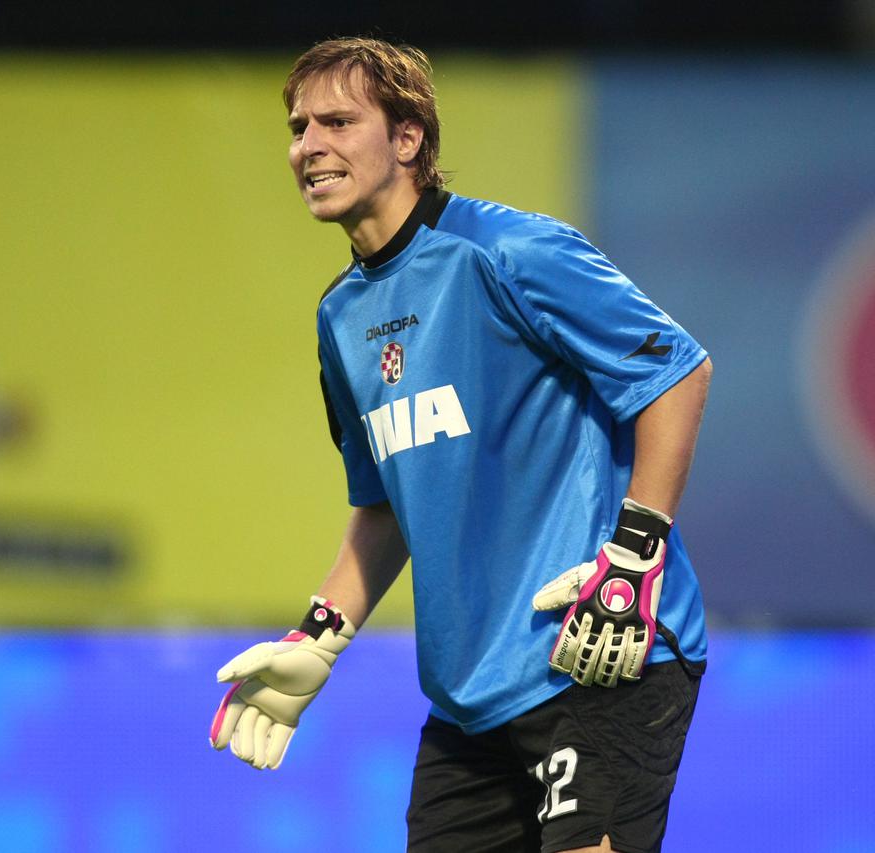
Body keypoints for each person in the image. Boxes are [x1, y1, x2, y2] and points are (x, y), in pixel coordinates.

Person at [209, 36, 712, 853]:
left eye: (338, 121)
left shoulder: (508, 251)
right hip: (470, 697)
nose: (309, 146)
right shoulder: (340, 317)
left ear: (407, 138)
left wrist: (634, 553)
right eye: (299, 128)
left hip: (596, 652)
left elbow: (676, 373)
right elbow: (384, 506)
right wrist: (318, 639)